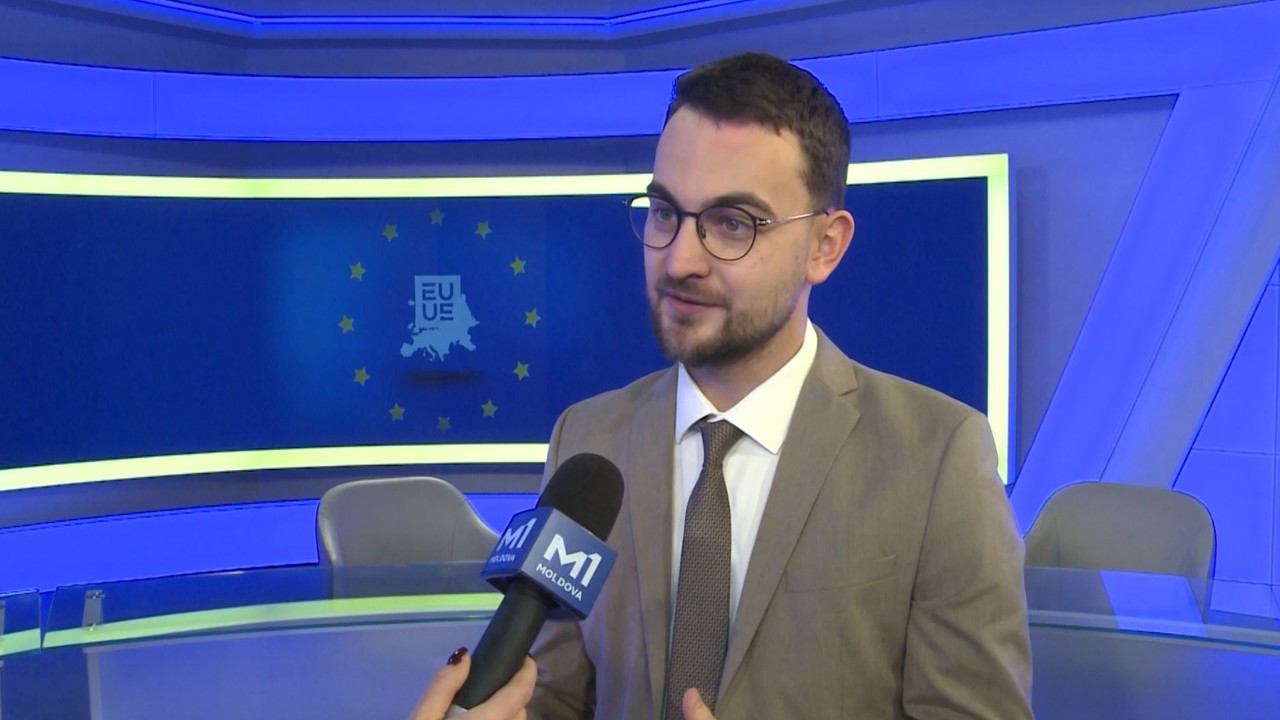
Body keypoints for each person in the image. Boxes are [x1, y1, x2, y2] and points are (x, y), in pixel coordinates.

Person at [424, 50, 1032, 720]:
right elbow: (556, 695)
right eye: (665, 212)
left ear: (825, 246)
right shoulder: (588, 441)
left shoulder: (937, 457)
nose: (680, 259)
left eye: (733, 223)